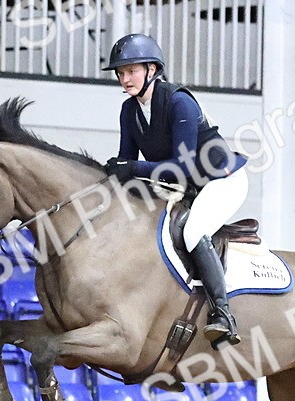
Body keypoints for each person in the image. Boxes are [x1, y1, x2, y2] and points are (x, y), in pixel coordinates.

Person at [102, 33, 247, 347]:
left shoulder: (179, 101)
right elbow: (127, 164)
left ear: (152, 70)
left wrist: (133, 169)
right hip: (182, 187)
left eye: (131, 71)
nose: (124, 79)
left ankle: (223, 313)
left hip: (220, 181)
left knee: (194, 231)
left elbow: (180, 167)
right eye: (121, 73)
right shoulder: (129, 112)